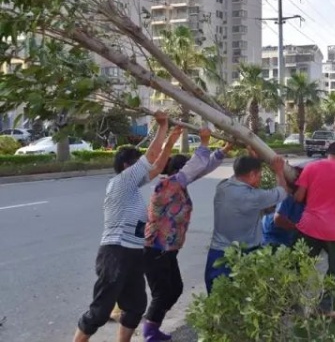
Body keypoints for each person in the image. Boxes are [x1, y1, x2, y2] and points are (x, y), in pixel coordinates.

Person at [73, 112, 182, 342]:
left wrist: (171, 141)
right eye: (138, 162)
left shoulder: (132, 187)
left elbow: (157, 165)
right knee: (101, 310)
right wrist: (162, 126)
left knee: (135, 306)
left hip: (133, 253)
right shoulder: (121, 183)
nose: (145, 166)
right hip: (116, 252)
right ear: (127, 166)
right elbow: (151, 156)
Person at [142, 129, 233, 341]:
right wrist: (204, 142)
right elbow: (195, 167)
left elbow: (200, 169)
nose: (193, 176)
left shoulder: (178, 186)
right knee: (163, 293)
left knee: (175, 289)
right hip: (155, 249)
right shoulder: (168, 185)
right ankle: (149, 332)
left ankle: (152, 325)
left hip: (167, 251)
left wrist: (224, 150)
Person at [204, 151, 289, 294]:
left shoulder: (222, 187)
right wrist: (279, 172)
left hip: (217, 253)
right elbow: (283, 191)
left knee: (217, 298)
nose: (260, 180)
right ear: (252, 175)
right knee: (246, 298)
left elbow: (243, 175)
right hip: (244, 254)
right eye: (259, 176)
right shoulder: (253, 197)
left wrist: (252, 159)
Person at [294, 142, 335, 318]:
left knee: (300, 266)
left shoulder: (311, 167)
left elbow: (299, 197)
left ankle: (292, 305)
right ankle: (324, 307)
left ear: (328, 154)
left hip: (310, 227)